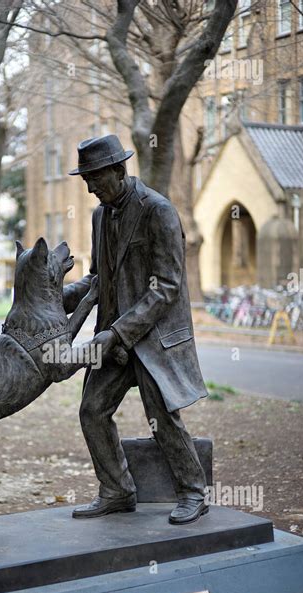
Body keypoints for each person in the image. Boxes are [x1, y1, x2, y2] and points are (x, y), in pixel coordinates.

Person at [63, 134, 208, 525]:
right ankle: (117, 490)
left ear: (119, 171)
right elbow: (98, 278)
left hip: (152, 338)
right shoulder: (99, 216)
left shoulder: (157, 210)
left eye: (95, 178)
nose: (90, 187)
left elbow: (167, 286)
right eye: (86, 180)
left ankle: (194, 491)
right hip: (114, 337)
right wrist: (58, 296)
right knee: (92, 410)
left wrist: (119, 332)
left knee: (160, 415)